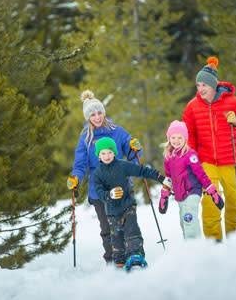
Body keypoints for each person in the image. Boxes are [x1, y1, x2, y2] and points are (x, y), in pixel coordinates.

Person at [182, 56, 236, 241]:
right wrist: (192, 160)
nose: (200, 89)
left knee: (234, 203)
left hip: (231, 161)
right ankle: (213, 243)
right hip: (206, 162)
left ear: (213, 85)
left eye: (203, 85)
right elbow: (188, 135)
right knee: (210, 203)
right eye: (198, 86)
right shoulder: (192, 107)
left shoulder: (234, 103)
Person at [66, 90, 141, 264]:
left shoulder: (118, 131)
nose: (97, 117)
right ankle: (113, 259)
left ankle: (132, 255)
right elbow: (79, 164)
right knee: (108, 227)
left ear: (104, 112)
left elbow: (132, 156)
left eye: (99, 112)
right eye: (93, 114)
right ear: (88, 117)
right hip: (99, 190)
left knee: (128, 223)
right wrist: (75, 178)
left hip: (122, 185)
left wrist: (134, 148)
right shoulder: (85, 137)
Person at [92, 137, 172, 269]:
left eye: (110, 152)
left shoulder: (122, 165)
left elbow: (141, 170)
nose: (107, 156)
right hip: (112, 211)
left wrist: (159, 177)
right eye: (103, 153)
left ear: (114, 153)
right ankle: (119, 260)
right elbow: (99, 191)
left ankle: (136, 256)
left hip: (127, 205)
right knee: (116, 236)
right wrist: (109, 195)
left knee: (131, 230)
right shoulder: (98, 173)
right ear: (98, 155)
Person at [159, 120, 224, 240]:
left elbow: (200, 173)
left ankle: (194, 248)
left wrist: (212, 190)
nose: (176, 141)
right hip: (180, 195)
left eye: (180, 137)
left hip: (192, 192)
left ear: (185, 138)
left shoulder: (190, 154)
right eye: (173, 137)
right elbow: (168, 177)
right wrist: (164, 195)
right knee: (184, 224)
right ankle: (192, 248)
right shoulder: (168, 156)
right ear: (169, 138)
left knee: (188, 219)